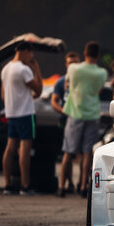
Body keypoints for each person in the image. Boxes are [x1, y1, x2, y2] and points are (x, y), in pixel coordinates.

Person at [58, 41, 107, 197]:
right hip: (92, 113)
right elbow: (98, 91)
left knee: (68, 151)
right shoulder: (102, 73)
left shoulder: (73, 68)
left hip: (75, 113)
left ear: (85, 53)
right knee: (87, 153)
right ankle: (83, 186)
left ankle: (61, 186)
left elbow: (68, 84)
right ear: (98, 56)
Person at [1, 42, 43, 195]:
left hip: (11, 113)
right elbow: (38, 91)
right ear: (26, 51)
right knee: (24, 149)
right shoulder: (24, 69)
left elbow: (2, 94)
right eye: (31, 54)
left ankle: (7, 184)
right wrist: (36, 69)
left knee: (10, 148)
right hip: (25, 113)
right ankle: (25, 185)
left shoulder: (6, 68)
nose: (31, 57)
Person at [51, 51, 80, 193]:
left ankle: (82, 183)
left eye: (75, 62)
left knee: (81, 153)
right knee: (67, 151)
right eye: (70, 63)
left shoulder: (82, 79)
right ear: (66, 64)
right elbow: (54, 101)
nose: (72, 65)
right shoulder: (61, 81)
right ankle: (67, 183)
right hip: (66, 119)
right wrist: (64, 111)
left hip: (81, 117)